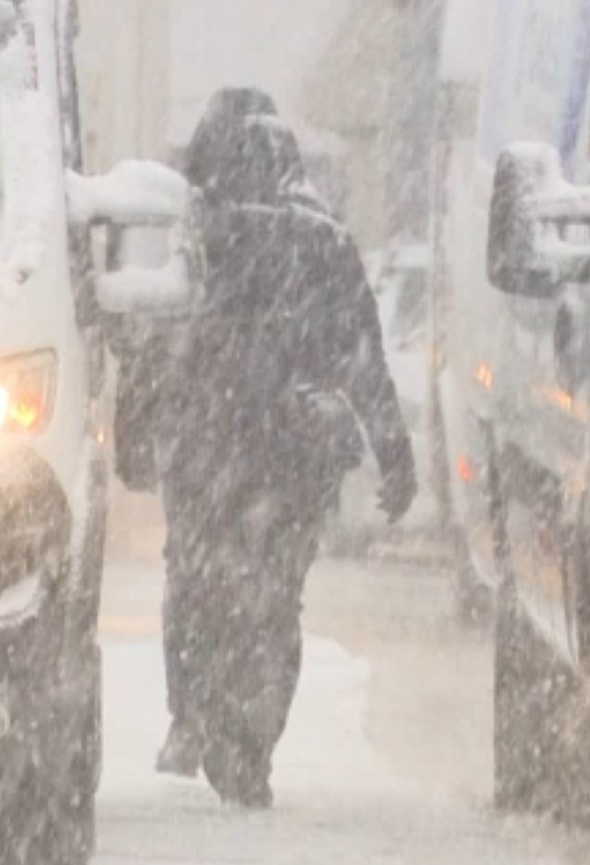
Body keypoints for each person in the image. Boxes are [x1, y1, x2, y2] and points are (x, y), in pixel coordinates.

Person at [125, 88, 416, 807]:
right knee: (274, 599)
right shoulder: (325, 241)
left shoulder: (195, 234)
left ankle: (192, 718)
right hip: (294, 453)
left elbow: (149, 339)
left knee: (193, 583)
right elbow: (363, 359)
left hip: (203, 446)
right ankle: (250, 744)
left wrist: (132, 432)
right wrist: (393, 453)